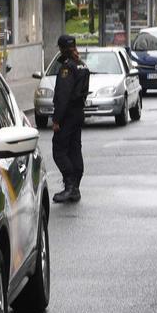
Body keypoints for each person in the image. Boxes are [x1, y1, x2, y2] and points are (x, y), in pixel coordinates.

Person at [51, 35, 90, 203]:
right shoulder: (82, 65)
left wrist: (56, 120)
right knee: (74, 149)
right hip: (78, 113)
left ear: (62, 49)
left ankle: (70, 186)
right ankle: (75, 188)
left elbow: (63, 96)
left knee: (59, 150)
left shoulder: (67, 68)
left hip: (67, 114)